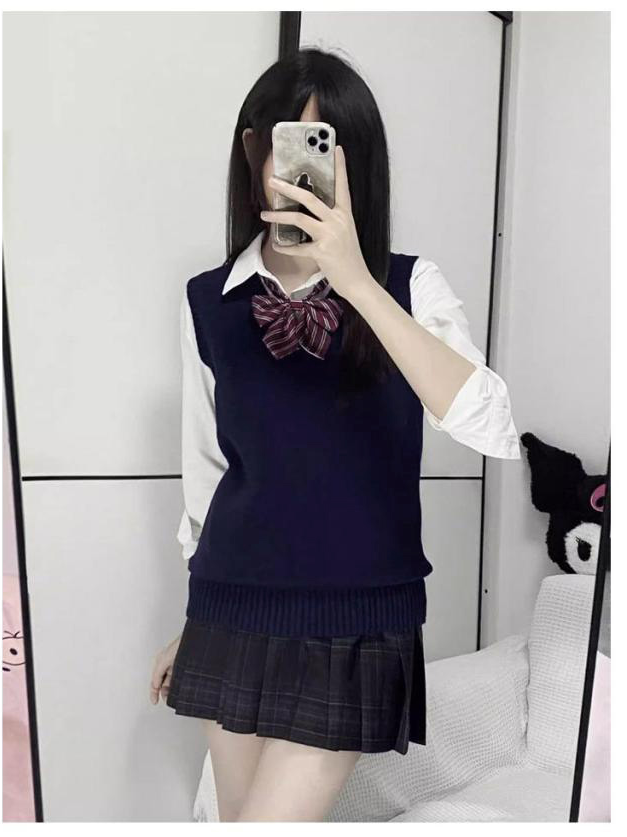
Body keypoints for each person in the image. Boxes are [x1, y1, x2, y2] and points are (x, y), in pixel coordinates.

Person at [149, 47, 520, 823]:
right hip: (230, 605)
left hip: (354, 615)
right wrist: (193, 618)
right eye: (285, 147)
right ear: (253, 150)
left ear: (356, 166)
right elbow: (207, 473)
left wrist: (355, 279)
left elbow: (491, 426)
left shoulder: (408, 285)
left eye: (322, 151)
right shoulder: (207, 301)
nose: (298, 176)